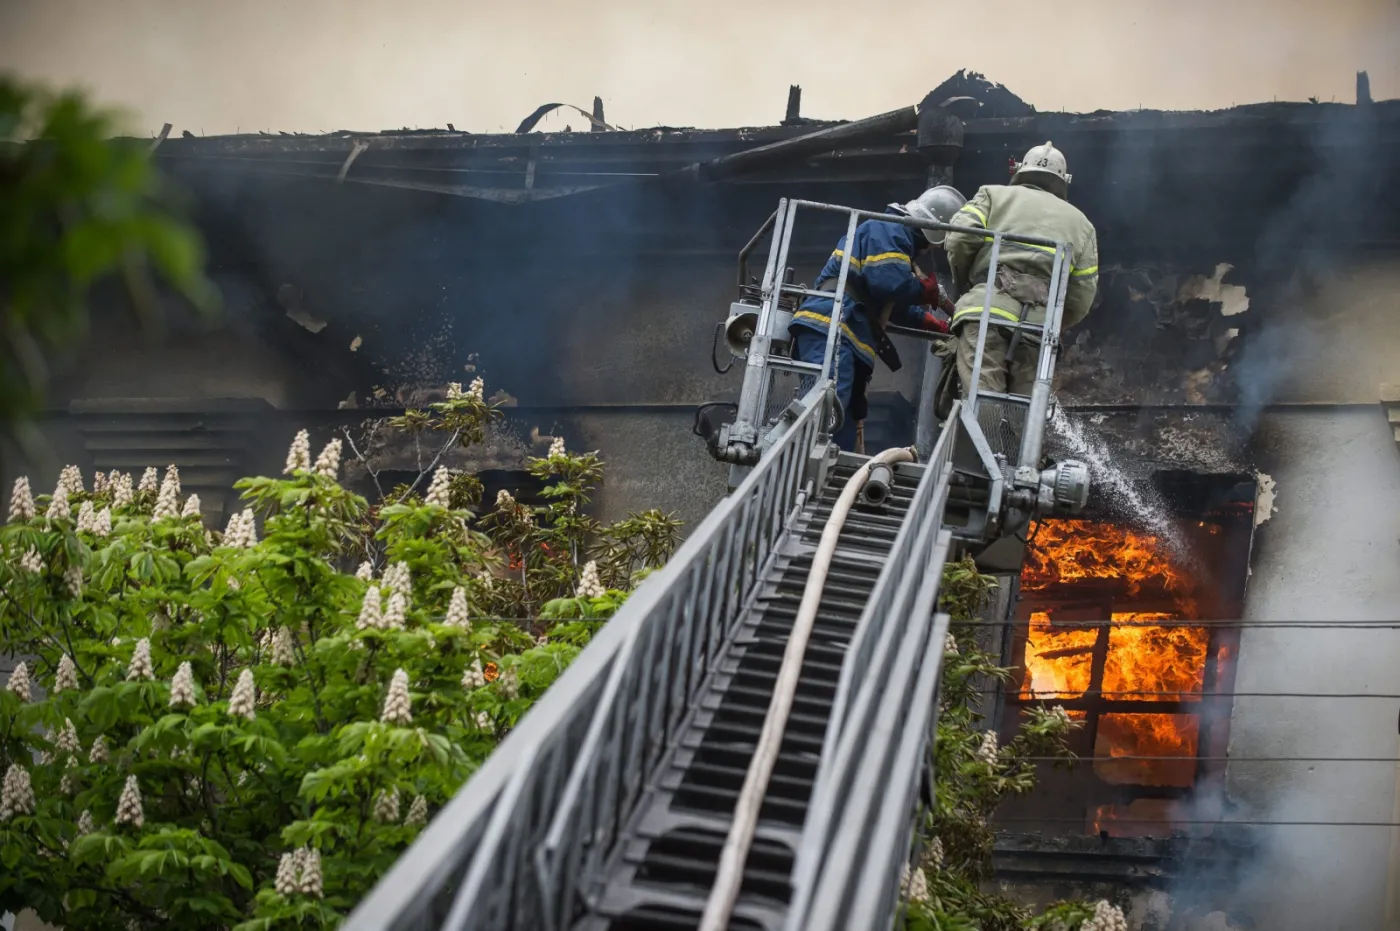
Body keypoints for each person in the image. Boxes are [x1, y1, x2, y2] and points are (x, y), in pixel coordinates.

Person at [789, 185, 967, 450]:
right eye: (932, 244)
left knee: (843, 423)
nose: (929, 250)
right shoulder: (888, 227)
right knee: (827, 408)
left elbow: (888, 302)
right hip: (833, 324)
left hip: (849, 331)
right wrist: (923, 292)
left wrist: (929, 321)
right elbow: (886, 281)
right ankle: (801, 463)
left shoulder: (895, 243)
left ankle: (832, 477)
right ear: (931, 229)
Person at [943, 142, 1099, 398]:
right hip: (1038, 328)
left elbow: (959, 239)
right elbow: (1082, 296)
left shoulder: (992, 195)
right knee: (1021, 418)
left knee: (983, 403)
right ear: (1064, 180)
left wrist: (968, 289)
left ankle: (985, 435)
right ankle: (1009, 437)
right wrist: (1052, 317)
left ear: (1019, 170)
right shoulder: (1083, 225)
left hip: (985, 312)